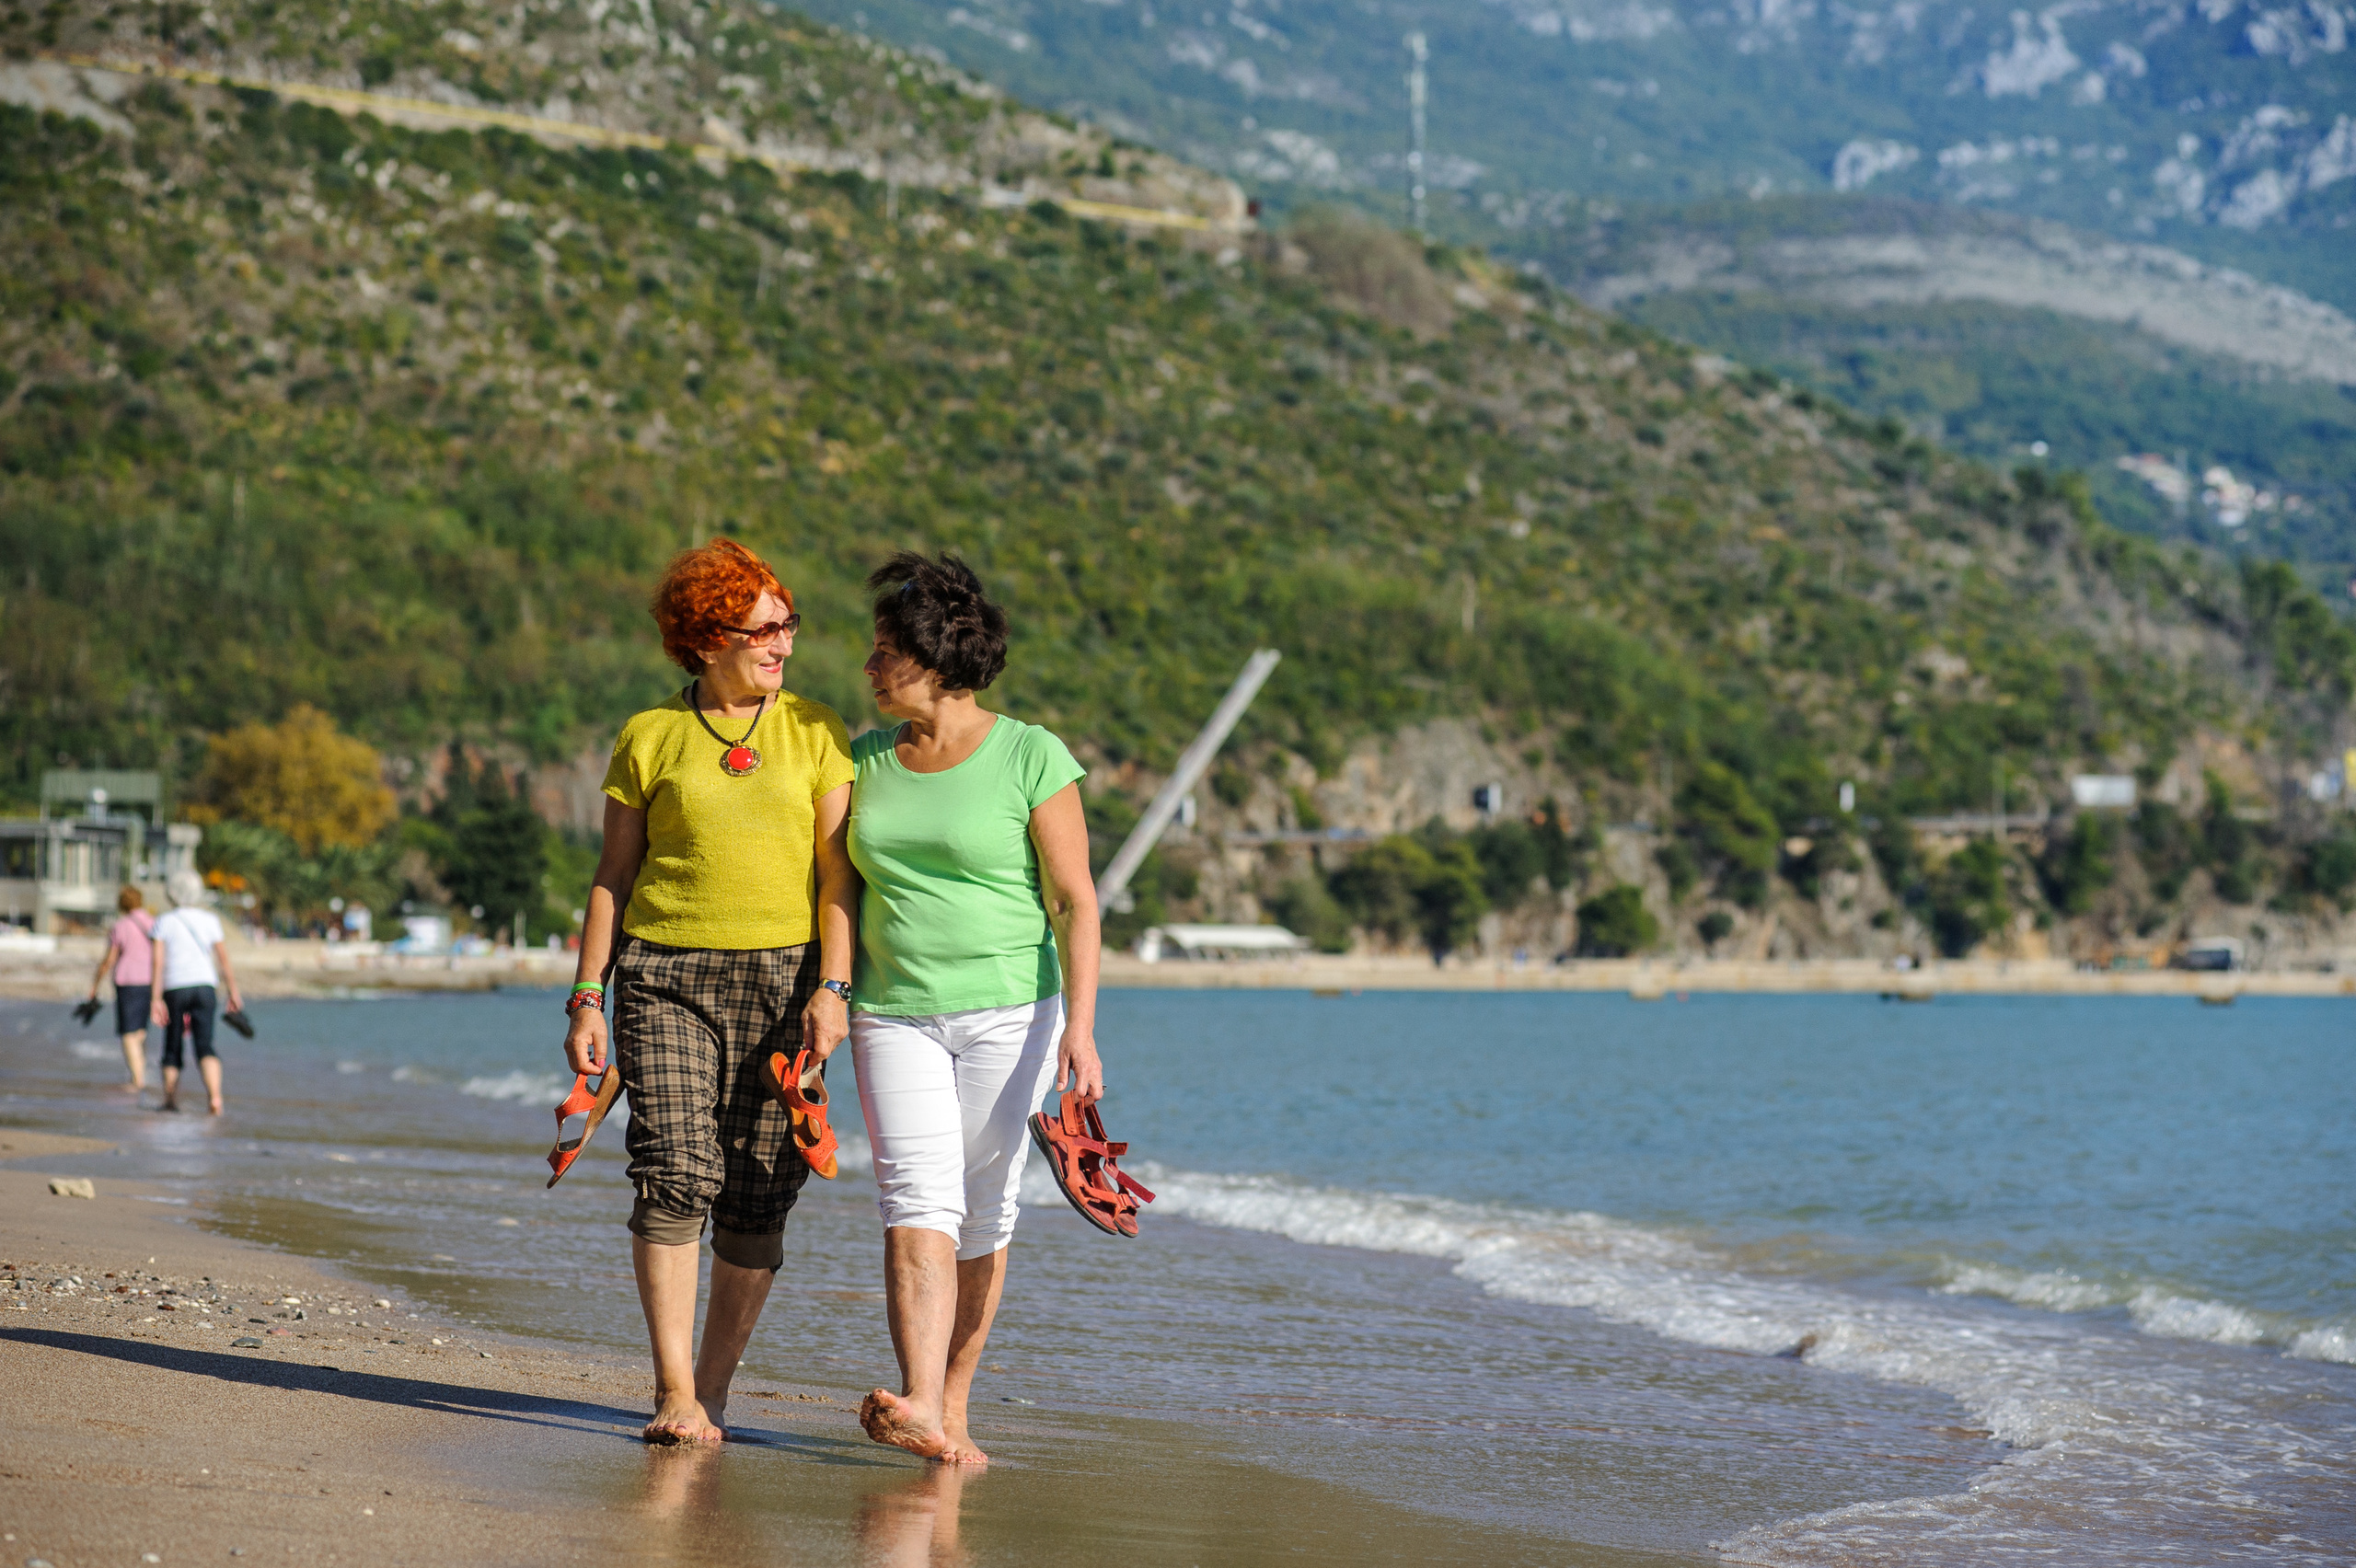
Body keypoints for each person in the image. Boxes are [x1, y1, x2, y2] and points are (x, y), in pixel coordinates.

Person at [561, 538, 859, 1446]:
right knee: (677, 1167)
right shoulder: (650, 737)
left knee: (761, 1195)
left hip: (786, 981)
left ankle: (717, 1391)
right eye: (762, 627)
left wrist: (835, 986)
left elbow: (837, 877)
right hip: (666, 974)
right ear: (703, 637)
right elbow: (614, 875)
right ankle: (673, 1389)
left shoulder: (816, 731)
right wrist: (585, 995)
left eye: (788, 624)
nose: (784, 643)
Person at [847, 551, 1104, 1465]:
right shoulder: (863, 761)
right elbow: (836, 891)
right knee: (915, 1200)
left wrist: (1080, 1028)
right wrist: (832, 997)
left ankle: (952, 1405)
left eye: (885, 653)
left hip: (1013, 1014)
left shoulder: (1032, 753)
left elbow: (1074, 898)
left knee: (985, 1211)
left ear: (935, 659)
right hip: (893, 1010)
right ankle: (918, 1396)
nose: (870, 669)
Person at [148, 870, 242, 1115]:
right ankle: (215, 1098)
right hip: (205, 986)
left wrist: (155, 998)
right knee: (205, 1045)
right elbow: (223, 959)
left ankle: (170, 1100)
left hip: (175, 986)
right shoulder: (210, 920)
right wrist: (233, 991)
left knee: (172, 1045)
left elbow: (157, 963)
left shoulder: (164, 921)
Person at [87, 886, 156, 1093]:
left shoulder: (121, 926)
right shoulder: (153, 923)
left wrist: (95, 985)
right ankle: (141, 1073)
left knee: (128, 1033)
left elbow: (109, 959)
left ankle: (137, 1080)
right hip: (150, 981)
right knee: (140, 1032)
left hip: (127, 982)